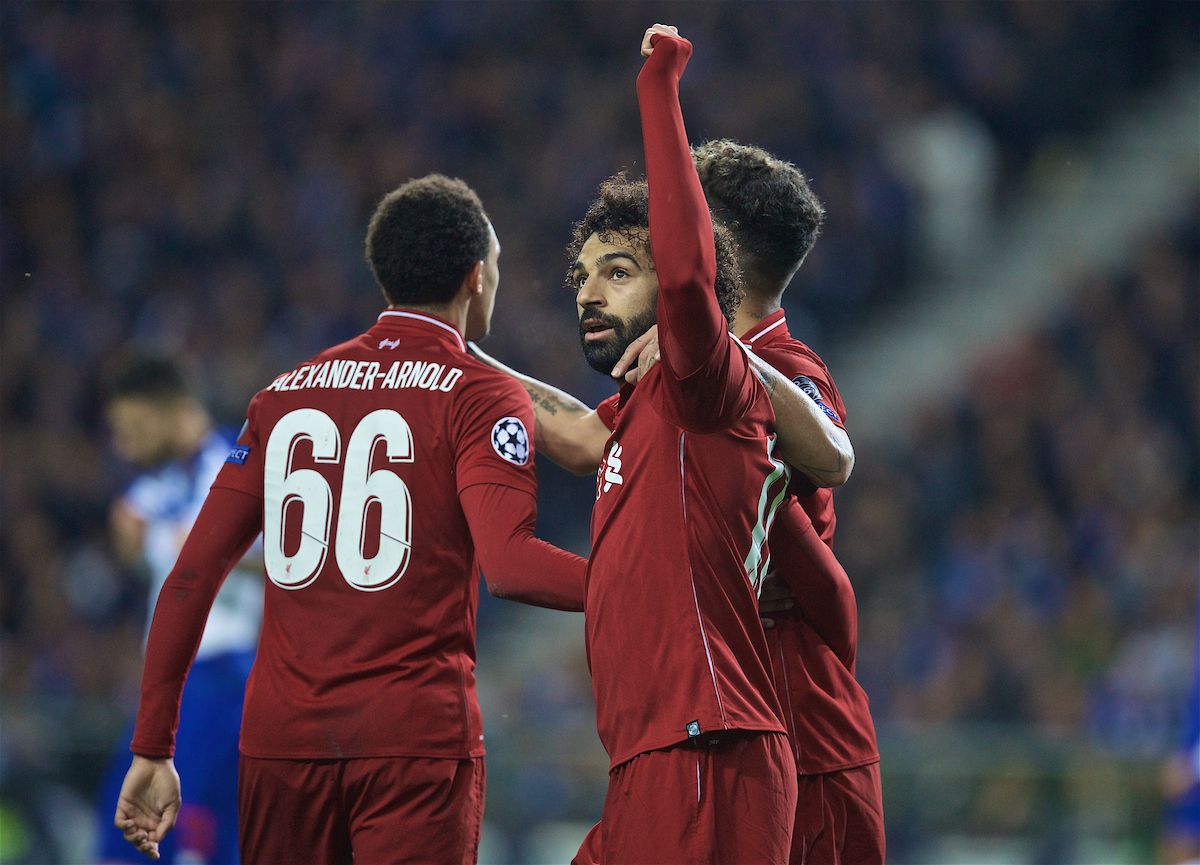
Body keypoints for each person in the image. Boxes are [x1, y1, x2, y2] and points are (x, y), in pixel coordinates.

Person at [113, 174, 587, 864]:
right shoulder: (483, 394)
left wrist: (153, 745)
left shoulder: (282, 395)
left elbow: (188, 578)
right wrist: (636, 583)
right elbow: (512, 567)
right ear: (476, 277)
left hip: (282, 746)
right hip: (412, 742)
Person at [475, 136, 884, 865]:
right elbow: (584, 436)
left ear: (707, 240)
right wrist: (451, 354)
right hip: (706, 730)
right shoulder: (673, 375)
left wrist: (728, 353)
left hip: (794, 734)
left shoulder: (785, 367)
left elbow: (829, 454)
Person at [558, 25, 799, 864]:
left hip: (708, 753)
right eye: (583, 275)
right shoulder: (635, 413)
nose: (588, 292)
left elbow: (692, 274)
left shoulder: (706, 385)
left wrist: (657, 89)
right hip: (645, 761)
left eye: (619, 271)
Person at [96, 355, 262, 865]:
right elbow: (136, 538)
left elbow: (286, 552)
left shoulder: (240, 462)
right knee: (135, 830)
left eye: (132, 428)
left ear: (170, 410)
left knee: (164, 829)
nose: (123, 445)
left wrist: (207, 547)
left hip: (224, 670)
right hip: (174, 680)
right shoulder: (161, 484)